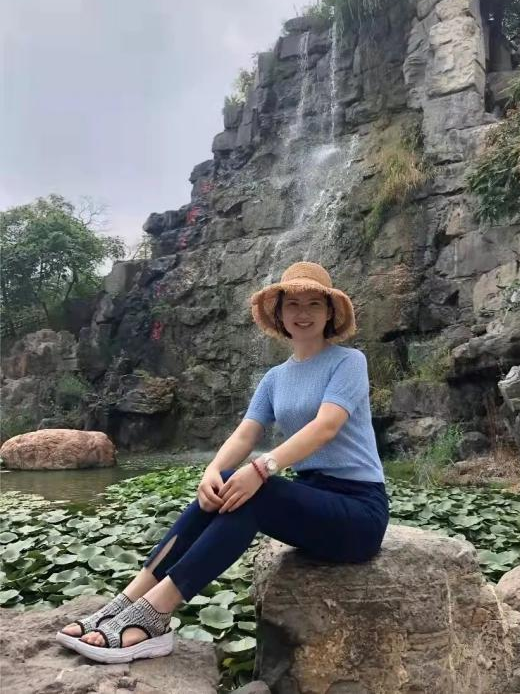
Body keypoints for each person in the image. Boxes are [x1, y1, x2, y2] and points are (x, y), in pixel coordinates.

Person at [56, 261, 390, 663]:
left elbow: (326, 427)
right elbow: (245, 435)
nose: (303, 312)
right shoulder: (274, 378)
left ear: (331, 312)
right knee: (226, 486)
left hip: (358, 510)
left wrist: (262, 468)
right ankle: (127, 601)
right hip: (310, 500)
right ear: (279, 312)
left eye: (314, 303)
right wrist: (211, 472)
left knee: (255, 490)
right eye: (293, 303)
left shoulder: (349, 361)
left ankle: (154, 615)